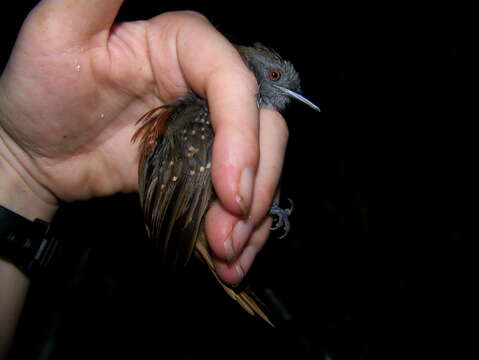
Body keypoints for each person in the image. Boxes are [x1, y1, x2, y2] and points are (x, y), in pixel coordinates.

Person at [0, 0, 288, 357]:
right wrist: (15, 158)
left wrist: (20, 167)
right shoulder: (202, 113)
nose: (284, 90)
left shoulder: (221, 113)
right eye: (275, 76)